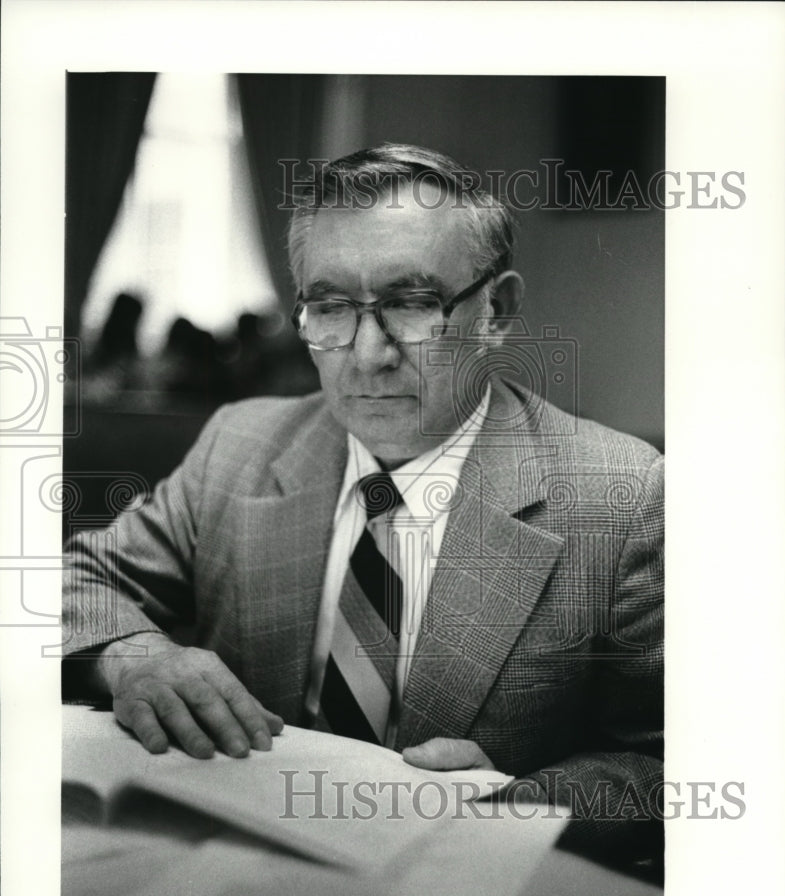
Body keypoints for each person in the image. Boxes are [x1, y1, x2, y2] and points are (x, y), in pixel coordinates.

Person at [63, 143, 663, 855]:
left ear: (496, 309)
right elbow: (69, 583)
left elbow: (667, 760)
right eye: (330, 307)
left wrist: (514, 806)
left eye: (412, 304)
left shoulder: (621, 496)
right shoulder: (239, 443)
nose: (367, 353)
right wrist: (133, 655)